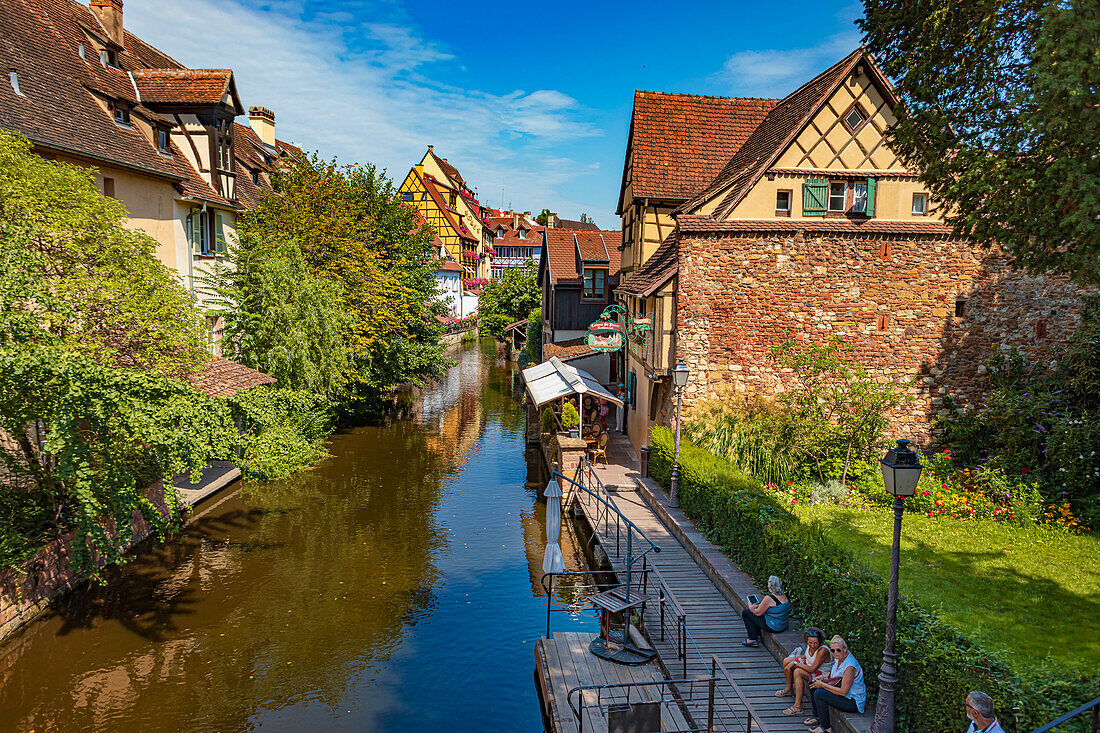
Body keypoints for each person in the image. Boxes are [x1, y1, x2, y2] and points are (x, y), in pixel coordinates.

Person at [805, 635, 866, 733]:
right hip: (843, 693)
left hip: (852, 701)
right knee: (812, 683)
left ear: (845, 649)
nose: (835, 653)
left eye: (838, 650)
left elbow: (843, 691)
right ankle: (817, 717)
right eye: (832, 650)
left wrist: (823, 685)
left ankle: (826, 728)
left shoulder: (850, 666)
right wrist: (822, 677)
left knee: (820, 693)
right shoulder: (838, 658)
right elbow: (834, 673)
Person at [774, 627, 828, 715]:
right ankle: (789, 689)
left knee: (797, 671)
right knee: (786, 661)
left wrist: (795, 663)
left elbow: (812, 669)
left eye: (815, 643)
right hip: (810, 665)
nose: (813, 646)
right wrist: (792, 660)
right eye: (810, 643)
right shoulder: (810, 645)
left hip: (821, 674)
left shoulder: (823, 650)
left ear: (820, 641)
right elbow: (807, 656)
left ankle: (798, 706)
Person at [740, 576, 791, 646]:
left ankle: (752, 639)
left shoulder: (769, 598)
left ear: (770, 587)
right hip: (783, 625)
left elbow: (757, 613)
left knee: (746, 613)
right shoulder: (784, 596)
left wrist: (750, 605)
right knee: (758, 614)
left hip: (774, 627)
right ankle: (757, 635)